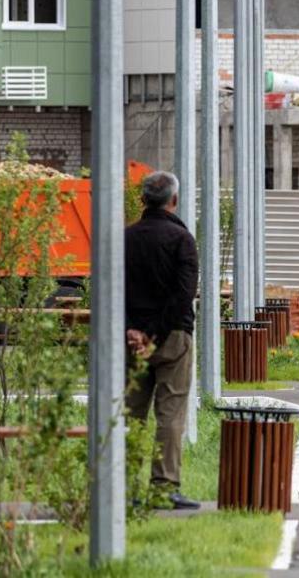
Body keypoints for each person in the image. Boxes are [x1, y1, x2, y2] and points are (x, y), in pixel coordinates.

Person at [123, 171, 201, 510]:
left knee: (130, 414)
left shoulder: (124, 238)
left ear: (143, 200)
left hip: (128, 341)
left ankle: (123, 487)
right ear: (174, 200)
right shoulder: (182, 240)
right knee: (170, 414)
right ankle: (164, 487)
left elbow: (112, 288)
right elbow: (183, 296)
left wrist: (133, 330)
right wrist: (154, 333)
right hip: (171, 337)